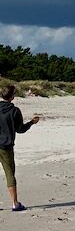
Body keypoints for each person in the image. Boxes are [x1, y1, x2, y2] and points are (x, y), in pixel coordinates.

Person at [0, 84, 41, 212]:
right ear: (12, 96)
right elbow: (20, 129)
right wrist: (32, 122)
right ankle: (15, 203)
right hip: (6, 146)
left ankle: (15, 203)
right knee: (10, 174)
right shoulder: (15, 111)